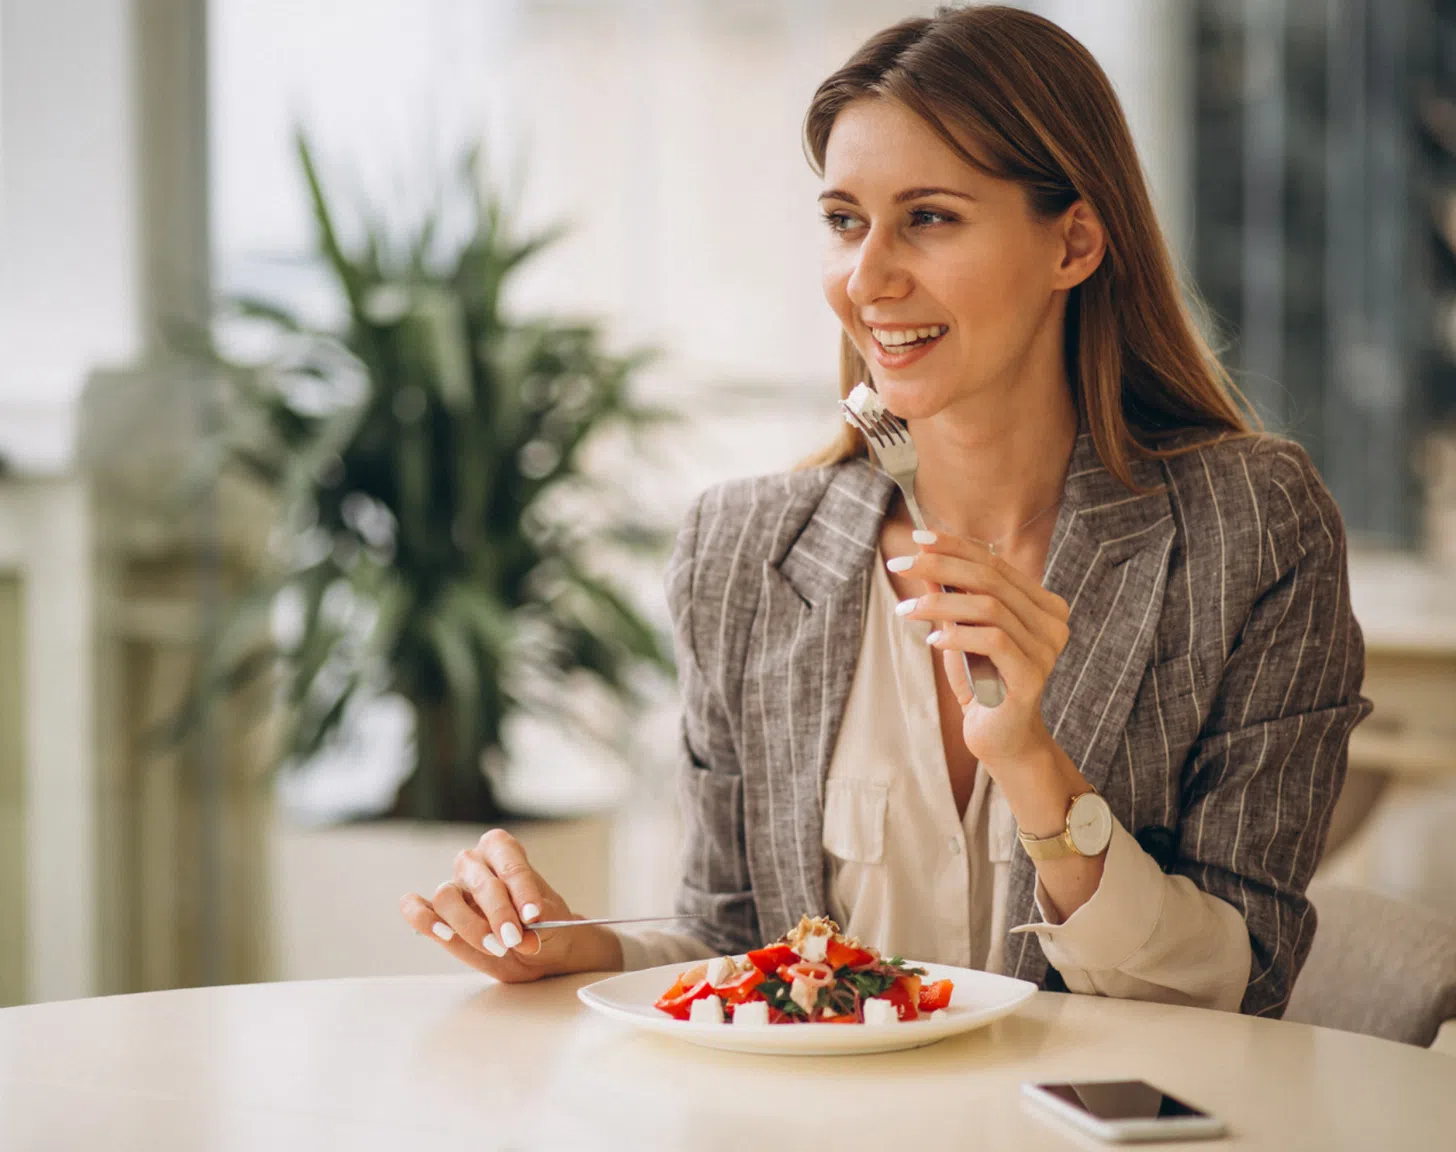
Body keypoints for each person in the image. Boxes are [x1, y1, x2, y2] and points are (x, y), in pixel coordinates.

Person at [399, 5, 1371, 1017]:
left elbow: (1237, 985)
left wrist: (1034, 768)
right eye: (844, 220)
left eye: (932, 217)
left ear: (1075, 241)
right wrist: (585, 947)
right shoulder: (742, 550)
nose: (867, 279)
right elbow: (738, 937)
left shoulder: (1250, 528)